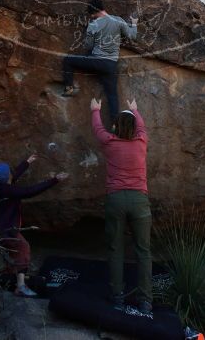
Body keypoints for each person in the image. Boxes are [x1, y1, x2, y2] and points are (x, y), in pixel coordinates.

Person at [90, 97, 152, 314]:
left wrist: (96, 110)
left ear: (115, 126)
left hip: (116, 199)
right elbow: (141, 126)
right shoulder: (141, 141)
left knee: (116, 249)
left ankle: (117, 297)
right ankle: (145, 301)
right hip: (139, 200)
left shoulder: (110, 142)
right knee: (143, 251)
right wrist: (136, 109)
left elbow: (98, 129)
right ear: (135, 128)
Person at [0, 154, 69, 297]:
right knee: (23, 248)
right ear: (7, 176)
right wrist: (54, 180)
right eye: (9, 171)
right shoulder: (9, 190)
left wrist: (27, 162)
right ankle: (20, 286)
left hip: (2, 228)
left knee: (13, 252)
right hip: (8, 230)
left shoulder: (2, 186)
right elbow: (29, 191)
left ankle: (9, 278)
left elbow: (14, 175)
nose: (11, 172)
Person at [62, 0, 137, 126]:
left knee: (67, 60)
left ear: (92, 13)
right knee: (112, 95)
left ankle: (69, 88)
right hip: (111, 65)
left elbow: (88, 46)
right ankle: (115, 125)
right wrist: (134, 24)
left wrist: (90, 34)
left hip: (96, 61)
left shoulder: (93, 24)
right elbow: (132, 36)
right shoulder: (118, 20)